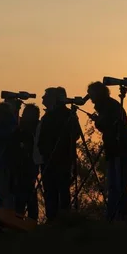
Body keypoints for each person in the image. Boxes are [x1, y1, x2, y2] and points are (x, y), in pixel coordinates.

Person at [87, 81, 127, 221]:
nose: (90, 98)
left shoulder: (109, 106)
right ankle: (115, 214)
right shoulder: (109, 106)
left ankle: (118, 214)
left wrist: (98, 121)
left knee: (117, 184)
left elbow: (111, 126)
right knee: (114, 184)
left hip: (118, 148)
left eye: (91, 94)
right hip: (114, 148)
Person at [37, 87, 80, 222]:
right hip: (51, 158)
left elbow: (75, 134)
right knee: (51, 190)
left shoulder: (65, 115)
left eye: (46, 96)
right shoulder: (50, 116)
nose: (43, 98)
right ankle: (54, 218)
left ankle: (62, 218)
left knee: (60, 189)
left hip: (61, 158)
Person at [11, 104, 41, 220]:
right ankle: (24, 218)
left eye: (25, 114)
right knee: (23, 192)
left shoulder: (33, 129)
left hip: (29, 164)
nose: (23, 116)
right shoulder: (24, 128)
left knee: (26, 193)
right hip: (23, 164)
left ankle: (29, 218)